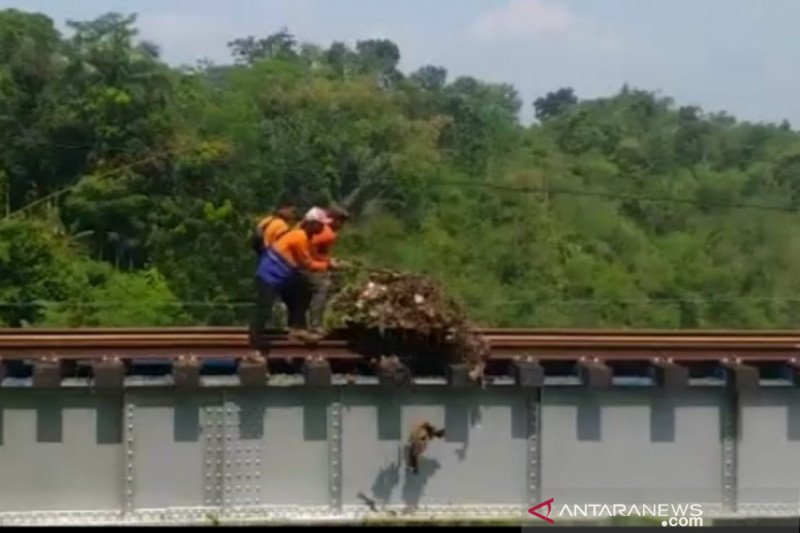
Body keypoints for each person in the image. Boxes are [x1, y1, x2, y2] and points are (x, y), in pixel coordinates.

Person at [248, 210, 329, 347]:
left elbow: (312, 256)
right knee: (264, 307)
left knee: (301, 292)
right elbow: (307, 263)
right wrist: (327, 265)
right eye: (321, 225)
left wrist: (329, 261)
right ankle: (255, 338)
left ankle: (297, 328)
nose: (323, 228)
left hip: (283, 276)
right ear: (312, 224)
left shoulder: (305, 236)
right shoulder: (300, 237)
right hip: (270, 275)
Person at [307, 205, 350, 334]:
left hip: (311, 263)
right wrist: (328, 263)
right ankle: (316, 324)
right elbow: (309, 248)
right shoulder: (326, 233)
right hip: (307, 265)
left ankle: (312, 322)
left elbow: (320, 253)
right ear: (334, 219)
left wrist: (331, 260)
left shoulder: (326, 231)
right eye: (341, 221)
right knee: (322, 288)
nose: (342, 225)